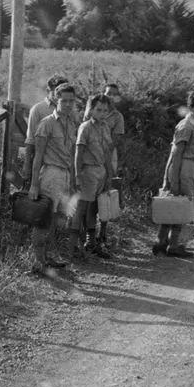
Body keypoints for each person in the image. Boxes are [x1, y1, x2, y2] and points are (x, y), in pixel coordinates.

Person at [153, 91, 194, 258]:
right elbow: (177, 154)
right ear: (190, 108)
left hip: (189, 166)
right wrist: (174, 180)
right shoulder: (185, 126)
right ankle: (171, 244)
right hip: (183, 167)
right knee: (180, 204)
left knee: (175, 204)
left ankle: (163, 241)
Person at [28, 83, 80, 275]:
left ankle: (47, 257)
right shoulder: (47, 123)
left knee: (57, 219)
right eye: (64, 100)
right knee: (43, 220)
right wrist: (34, 184)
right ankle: (37, 262)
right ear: (56, 100)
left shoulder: (71, 123)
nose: (67, 104)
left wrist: (73, 181)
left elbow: (71, 155)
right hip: (50, 174)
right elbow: (38, 156)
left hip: (65, 175)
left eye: (71, 101)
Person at [74, 94, 114, 259]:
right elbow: (79, 152)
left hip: (101, 170)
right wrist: (77, 174)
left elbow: (107, 152)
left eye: (105, 110)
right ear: (91, 110)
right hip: (88, 171)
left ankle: (92, 242)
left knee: (96, 207)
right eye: (98, 110)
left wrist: (110, 174)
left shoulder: (105, 127)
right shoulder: (85, 127)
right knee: (83, 208)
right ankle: (76, 244)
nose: (102, 113)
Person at [94, 83, 125, 249]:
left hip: (108, 154)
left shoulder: (117, 117)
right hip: (91, 154)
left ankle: (103, 233)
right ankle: (89, 233)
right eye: (108, 93)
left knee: (106, 191)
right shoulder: (94, 110)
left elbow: (114, 141)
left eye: (114, 94)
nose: (111, 97)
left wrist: (103, 157)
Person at [23, 74, 69, 184]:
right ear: (49, 90)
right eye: (56, 91)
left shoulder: (69, 109)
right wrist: (27, 165)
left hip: (65, 163)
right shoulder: (39, 110)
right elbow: (30, 140)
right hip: (44, 163)